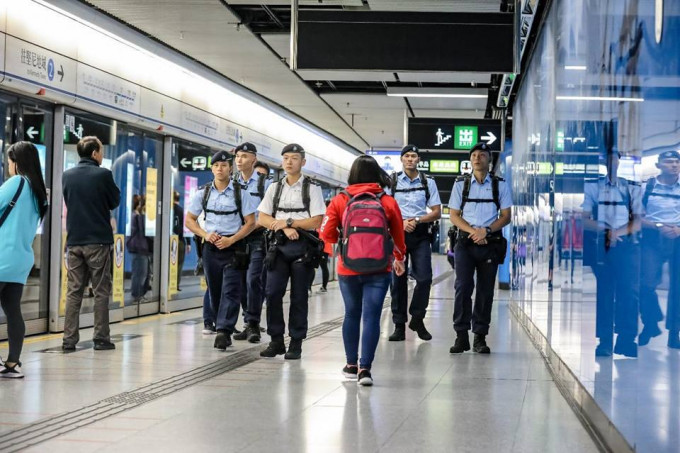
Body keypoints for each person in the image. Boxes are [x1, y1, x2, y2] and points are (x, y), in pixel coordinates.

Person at [321, 155, 406, 386]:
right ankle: (365, 369)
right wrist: (399, 258)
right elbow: (399, 236)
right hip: (380, 267)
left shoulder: (340, 200)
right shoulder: (387, 201)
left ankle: (350, 365)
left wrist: (343, 240)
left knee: (351, 314)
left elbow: (326, 234)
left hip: (348, 268)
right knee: (371, 317)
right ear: (377, 174)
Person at [257, 144, 326, 360]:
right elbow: (263, 218)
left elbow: (316, 220)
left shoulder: (312, 188)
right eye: (286, 158)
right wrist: (286, 227)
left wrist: (290, 222)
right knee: (273, 292)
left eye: (294, 158)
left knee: (299, 296)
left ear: (303, 162)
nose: (289, 162)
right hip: (278, 246)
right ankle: (276, 340)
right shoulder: (274, 188)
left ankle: (296, 341)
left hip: (303, 248)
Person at [185, 150, 257, 350]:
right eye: (216, 165)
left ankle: (224, 331)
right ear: (211, 169)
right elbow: (189, 220)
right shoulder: (203, 193)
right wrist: (204, 234)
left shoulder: (240, 193)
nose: (220, 169)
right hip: (210, 247)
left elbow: (251, 222)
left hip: (234, 248)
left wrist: (232, 239)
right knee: (215, 290)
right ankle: (220, 324)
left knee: (231, 289)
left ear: (230, 168)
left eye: (224, 165)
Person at [448, 142, 512, 354]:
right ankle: (461, 336)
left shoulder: (500, 185)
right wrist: (474, 232)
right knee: (463, 288)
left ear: (489, 160)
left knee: (485, 291)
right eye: (474, 155)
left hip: (490, 244)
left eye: (482, 155)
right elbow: (454, 215)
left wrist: (486, 231)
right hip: (465, 243)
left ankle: (480, 338)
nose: (477, 158)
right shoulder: (461, 185)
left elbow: (506, 216)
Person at [62, 136, 121, 351]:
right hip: (98, 241)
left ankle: (68, 341)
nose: (102, 154)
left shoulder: (67, 176)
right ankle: (101, 338)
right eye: (101, 151)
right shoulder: (103, 174)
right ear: (95, 153)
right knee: (101, 290)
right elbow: (115, 200)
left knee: (74, 291)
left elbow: (70, 201)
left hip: (75, 240)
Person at [582, 148, 641, 358]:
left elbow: (638, 220)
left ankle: (626, 339)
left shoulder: (631, 187)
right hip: (602, 246)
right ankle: (605, 341)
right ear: (603, 161)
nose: (611, 161)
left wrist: (617, 233)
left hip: (626, 246)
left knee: (629, 293)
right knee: (605, 294)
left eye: (614, 157)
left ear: (619, 160)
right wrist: (606, 231)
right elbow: (585, 218)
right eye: (607, 158)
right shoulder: (593, 186)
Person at [0, 142, 48, 377]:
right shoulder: (39, 191)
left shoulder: (17, 182)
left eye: (9, 161)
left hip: (2, 256)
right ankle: (12, 363)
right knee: (12, 310)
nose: (8, 166)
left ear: (17, 162)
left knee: (12, 310)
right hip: (20, 260)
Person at [386, 145, 441, 342]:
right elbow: (385, 209)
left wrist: (416, 220)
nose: (410, 159)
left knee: (425, 278)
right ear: (401, 160)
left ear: (418, 160)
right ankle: (399, 325)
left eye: (414, 156)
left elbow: (436, 211)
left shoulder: (428, 182)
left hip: (420, 234)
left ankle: (417, 318)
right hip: (397, 234)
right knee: (397, 281)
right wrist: (400, 223)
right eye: (407, 156)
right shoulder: (391, 181)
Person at [639, 150, 680, 348]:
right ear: (659, 165)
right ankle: (651, 322)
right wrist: (658, 227)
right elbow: (635, 216)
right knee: (645, 283)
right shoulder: (648, 186)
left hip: (678, 237)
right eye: (669, 162)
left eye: (676, 162)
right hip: (652, 237)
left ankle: (674, 334)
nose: (674, 165)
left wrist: (677, 229)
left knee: (678, 289)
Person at [232, 142, 272, 343]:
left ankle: (254, 323)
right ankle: (247, 321)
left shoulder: (266, 184)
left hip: (258, 237)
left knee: (253, 279)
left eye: (245, 156)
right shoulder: (231, 182)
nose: (240, 160)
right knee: (239, 282)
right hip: (236, 238)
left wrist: (251, 226)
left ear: (254, 159)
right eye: (238, 156)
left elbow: (268, 212)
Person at [127, 195, 150, 303]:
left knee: (142, 272)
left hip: (140, 248)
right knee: (140, 273)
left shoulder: (135, 216)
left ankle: (139, 294)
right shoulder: (137, 217)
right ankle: (137, 295)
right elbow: (144, 231)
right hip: (139, 247)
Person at [172, 191, 191, 291]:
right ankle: (175, 285)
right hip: (179, 241)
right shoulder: (181, 210)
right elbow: (185, 227)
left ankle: (167, 283)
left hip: (168, 241)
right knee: (179, 264)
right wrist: (188, 243)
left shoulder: (168, 209)